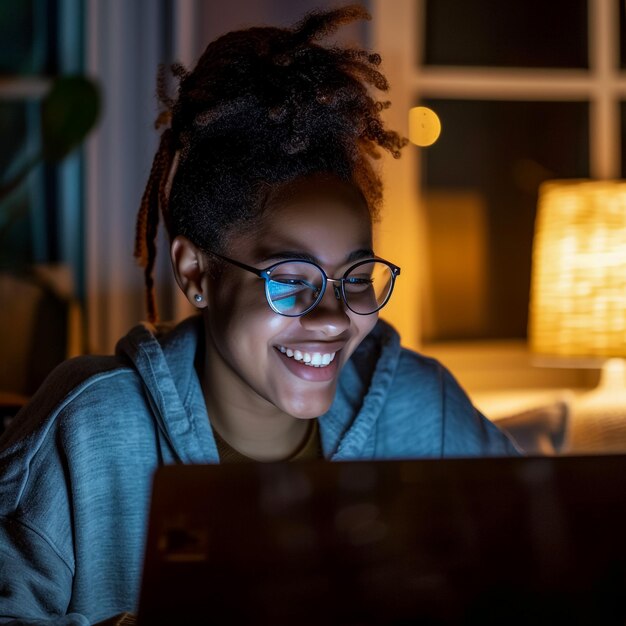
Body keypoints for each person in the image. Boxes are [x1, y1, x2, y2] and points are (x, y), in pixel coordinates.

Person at [0, 5, 518, 624]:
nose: (332, 317)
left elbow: (543, 560)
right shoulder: (87, 428)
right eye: (290, 282)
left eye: (356, 278)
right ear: (195, 273)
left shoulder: (421, 405)